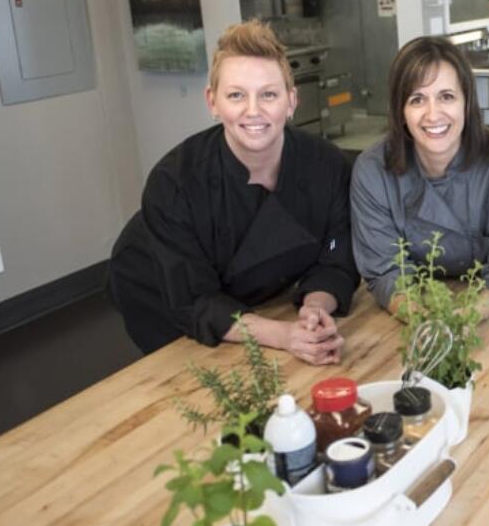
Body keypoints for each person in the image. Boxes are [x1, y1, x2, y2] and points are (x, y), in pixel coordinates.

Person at [107, 20, 357, 364]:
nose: (253, 111)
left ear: (291, 100)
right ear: (213, 102)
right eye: (236, 95)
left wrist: (314, 312)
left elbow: (336, 257)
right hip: (159, 285)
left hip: (249, 295)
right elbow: (196, 300)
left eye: (268, 94)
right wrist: (282, 335)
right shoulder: (174, 181)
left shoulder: (327, 165)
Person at [351, 36, 489, 320]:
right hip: (411, 309)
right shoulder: (372, 172)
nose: (433, 114)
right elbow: (386, 272)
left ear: (466, 102)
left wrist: (462, 320)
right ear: (400, 111)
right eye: (417, 99)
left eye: (446, 96)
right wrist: (426, 322)